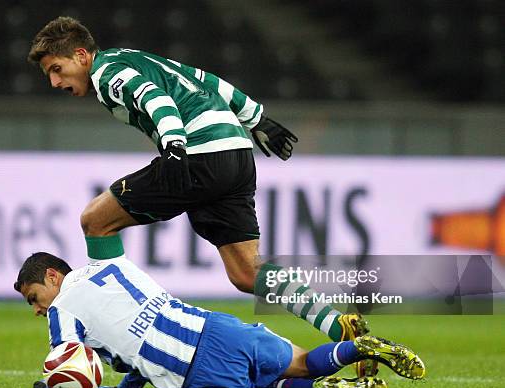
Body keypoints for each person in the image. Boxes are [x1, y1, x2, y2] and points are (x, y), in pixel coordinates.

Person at [26, 16, 371, 352]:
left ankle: (114, 326)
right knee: (246, 273)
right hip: (236, 153)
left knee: (95, 221)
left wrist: (174, 146)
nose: (55, 82)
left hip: (197, 153)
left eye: (57, 69)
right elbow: (206, 79)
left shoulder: (106, 74)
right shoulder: (132, 58)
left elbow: (154, 99)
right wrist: (257, 118)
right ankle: (337, 324)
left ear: (81, 56)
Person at [14, 251, 425, 388]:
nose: (37, 309)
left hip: (194, 372)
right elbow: (131, 339)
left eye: (34, 297)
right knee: (299, 361)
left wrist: (60, 385)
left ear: (53, 277)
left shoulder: (62, 309)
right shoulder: (111, 268)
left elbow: (65, 357)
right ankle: (363, 348)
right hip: (214, 326)